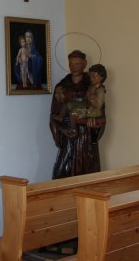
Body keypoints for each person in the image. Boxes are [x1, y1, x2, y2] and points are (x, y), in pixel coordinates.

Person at [49, 50, 90, 179]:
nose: (73, 67)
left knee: (85, 173)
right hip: (67, 134)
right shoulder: (61, 87)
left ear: (84, 64)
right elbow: (53, 115)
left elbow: (98, 110)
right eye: (71, 64)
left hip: (85, 135)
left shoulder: (91, 85)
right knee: (61, 171)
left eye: (77, 64)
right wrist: (62, 130)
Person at [67, 64, 107, 175]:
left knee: (73, 112)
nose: (92, 79)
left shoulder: (101, 89)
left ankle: (74, 129)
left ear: (101, 77)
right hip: (87, 109)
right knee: (70, 107)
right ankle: (73, 128)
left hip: (94, 112)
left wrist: (91, 98)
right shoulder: (91, 87)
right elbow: (85, 100)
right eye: (91, 76)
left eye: (95, 76)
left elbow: (98, 106)